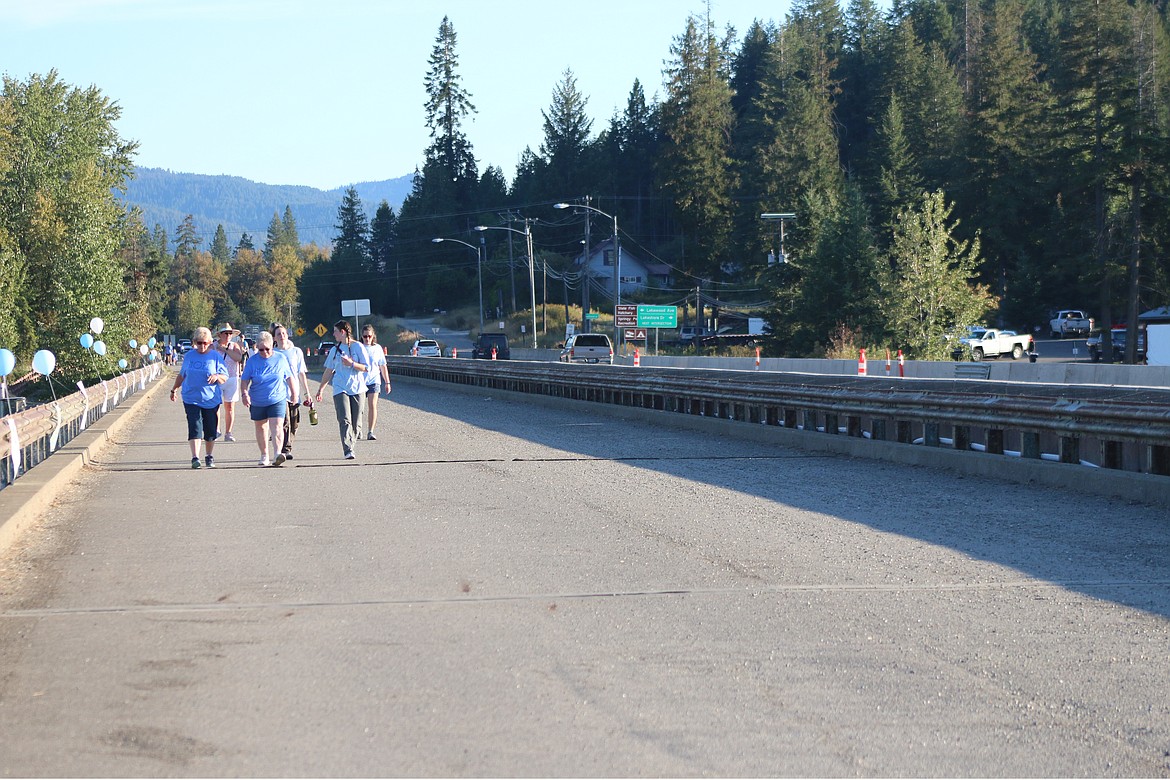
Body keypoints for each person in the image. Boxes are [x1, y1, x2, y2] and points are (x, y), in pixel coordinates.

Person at [168, 327, 228, 469]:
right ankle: (195, 457)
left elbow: (225, 376)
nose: (202, 346)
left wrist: (216, 377)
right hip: (191, 398)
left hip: (210, 399)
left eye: (205, 343)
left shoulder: (215, 357)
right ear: (194, 342)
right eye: (199, 343)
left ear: (210, 343)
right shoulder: (189, 356)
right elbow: (182, 375)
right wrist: (174, 389)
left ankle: (209, 455)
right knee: (194, 426)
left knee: (210, 429)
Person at [240, 331, 297, 467]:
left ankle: (277, 453)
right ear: (257, 347)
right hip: (258, 400)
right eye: (261, 349)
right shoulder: (252, 361)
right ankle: (264, 455)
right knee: (261, 427)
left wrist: (294, 394)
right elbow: (245, 380)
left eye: (267, 349)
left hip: (277, 398)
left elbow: (289, 377)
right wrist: (244, 394)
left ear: (273, 346)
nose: (264, 352)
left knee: (277, 426)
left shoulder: (280, 358)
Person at [315, 319, 369, 460]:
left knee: (356, 423)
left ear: (343, 332)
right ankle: (348, 449)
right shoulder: (334, 350)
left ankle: (352, 441)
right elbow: (329, 371)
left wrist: (352, 363)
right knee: (344, 419)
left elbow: (366, 367)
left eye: (335, 332)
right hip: (340, 388)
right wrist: (321, 389)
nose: (333, 334)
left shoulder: (358, 347)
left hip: (357, 388)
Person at [271, 322, 311, 460]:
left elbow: (301, 373)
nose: (281, 336)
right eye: (278, 334)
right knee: (285, 420)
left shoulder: (296, 352)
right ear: (274, 338)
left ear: (287, 335)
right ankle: (285, 449)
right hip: (279, 392)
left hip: (294, 392)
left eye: (283, 333)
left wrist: (307, 393)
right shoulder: (273, 353)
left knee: (294, 421)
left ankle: (288, 444)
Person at [212, 323, 247, 442]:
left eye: (230, 333)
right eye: (225, 333)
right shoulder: (213, 346)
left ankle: (228, 432)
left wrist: (225, 349)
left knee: (230, 406)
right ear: (220, 335)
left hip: (232, 378)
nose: (228, 335)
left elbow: (238, 358)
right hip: (218, 378)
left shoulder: (234, 346)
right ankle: (216, 430)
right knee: (215, 405)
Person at [359, 325, 391, 440]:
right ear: (361, 336)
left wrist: (387, 382)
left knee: (372, 405)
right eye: (365, 336)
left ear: (373, 336)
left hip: (374, 380)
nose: (367, 338)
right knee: (359, 407)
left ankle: (370, 431)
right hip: (360, 381)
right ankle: (358, 429)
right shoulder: (358, 347)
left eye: (369, 336)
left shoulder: (377, 348)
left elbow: (383, 366)